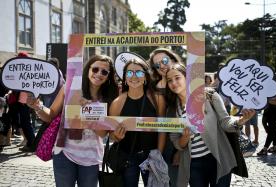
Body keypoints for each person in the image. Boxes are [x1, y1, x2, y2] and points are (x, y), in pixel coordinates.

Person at [27, 54, 119, 187]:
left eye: (104, 72)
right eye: (95, 69)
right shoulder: (69, 88)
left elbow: (102, 134)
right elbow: (50, 115)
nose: (99, 74)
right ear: (88, 69)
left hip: (91, 157)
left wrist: (88, 113)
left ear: (108, 76)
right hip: (64, 152)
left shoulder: (108, 98)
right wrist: (38, 106)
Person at [166, 63, 255, 187]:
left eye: (177, 77)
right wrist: (185, 137)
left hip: (219, 158)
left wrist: (241, 120)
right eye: (169, 80)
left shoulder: (209, 95)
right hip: (193, 165)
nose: (173, 83)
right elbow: (177, 142)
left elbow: (225, 122)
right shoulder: (172, 109)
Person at [109, 58, 166, 187]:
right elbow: (111, 134)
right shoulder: (117, 103)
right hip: (127, 156)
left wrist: (158, 155)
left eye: (139, 73)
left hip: (152, 155)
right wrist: (116, 136)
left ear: (145, 77)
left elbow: (163, 129)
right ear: (124, 78)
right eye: (129, 73)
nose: (134, 76)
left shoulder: (157, 99)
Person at [148, 47, 182, 187]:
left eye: (165, 60)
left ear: (173, 59)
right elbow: (160, 123)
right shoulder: (153, 88)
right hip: (165, 146)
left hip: (190, 144)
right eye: (157, 65)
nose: (162, 65)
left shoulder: (188, 83)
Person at [257, 73, 276, 156]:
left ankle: (265, 148)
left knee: (272, 129)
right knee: (268, 127)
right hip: (268, 110)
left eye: (275, 79)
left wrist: (266, 100)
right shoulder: (269, 87)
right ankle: (275, 147)